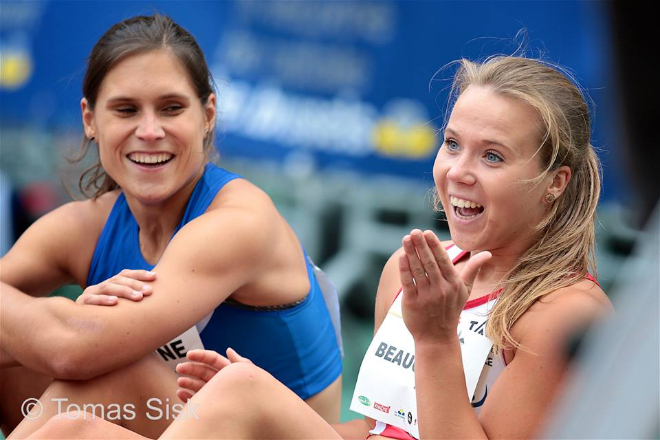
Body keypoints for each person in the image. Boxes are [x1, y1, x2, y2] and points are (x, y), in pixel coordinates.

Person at [23, 54, 614, 440]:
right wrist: (263, 412)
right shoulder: (417, 271)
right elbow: (385, 427)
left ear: (554, 183)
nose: (458, 171)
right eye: (453, 144)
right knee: (74, 423)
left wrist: (434, 341)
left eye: (492, 156)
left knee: (236, 391)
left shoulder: (563, 314)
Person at [0, 14, 342, 438]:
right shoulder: (83, 227)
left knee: (99, 386)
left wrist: (67, 320)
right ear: (89, 120)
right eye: (126, 110)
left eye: (171, 108)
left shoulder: (238, 221)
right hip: (180, 422)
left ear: (207, 115)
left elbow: (72, 350)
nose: (149, 131)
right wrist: (60, 320)